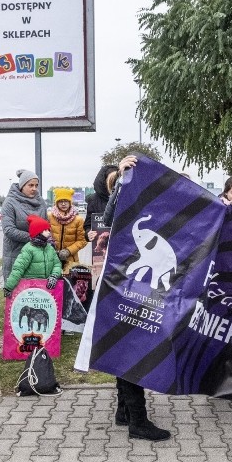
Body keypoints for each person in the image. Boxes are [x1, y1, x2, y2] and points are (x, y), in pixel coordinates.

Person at [104, 155, 171, 442]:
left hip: (143, 284)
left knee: (129, 344)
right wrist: (121, 178)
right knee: (129, 346)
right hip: (124, 284)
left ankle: (125, 411)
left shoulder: (159, 201)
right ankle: (138, 421)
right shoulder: (125, 192)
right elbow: (108, 219)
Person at [1, 169, 48, 281]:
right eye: (30, 185)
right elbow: (8, 230)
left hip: (37, 255)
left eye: (36, 185)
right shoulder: (10, 202)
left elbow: (46, 224)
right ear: (22, 185)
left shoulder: (41, 202)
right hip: (16, 255)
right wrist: (34, 238)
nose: (34, 188)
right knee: (16, 293)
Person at [3, 215, 62, 296]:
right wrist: (8, 287)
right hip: (30, 289)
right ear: (38, 232)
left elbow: (57, 264)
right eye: (45, 230)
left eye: (48, 229)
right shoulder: (28, 249)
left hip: (46, 289)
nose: (49, 232)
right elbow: (18, 268)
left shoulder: (50, 248)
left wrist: (54, 276)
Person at [48, 188, 88, 274]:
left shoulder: (78, 220)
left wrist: (68, 251)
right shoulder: (49, 217)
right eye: (60, 201)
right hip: (52, 259)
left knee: (71, 284)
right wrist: (51, 249)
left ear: (70, 202)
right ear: (56, 202)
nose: (63, 204)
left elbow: (82, 240)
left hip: (71, 260)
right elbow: (45, 235)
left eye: (66, 201)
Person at [84, 164, 118, 241]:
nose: (113, 184)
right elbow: (87, 226)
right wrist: (88, 234)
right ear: (104, 182)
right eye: (111, 181)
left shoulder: (124, 196)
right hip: (102, 248)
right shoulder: (94, 200)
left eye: (116, 180)